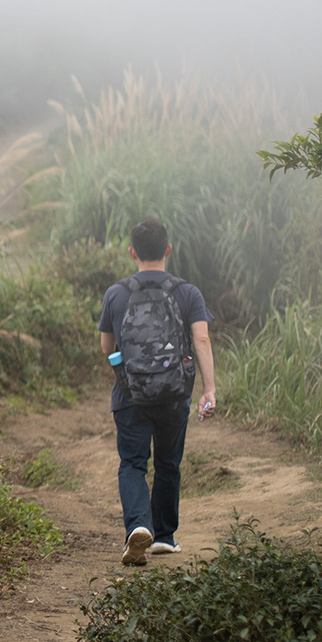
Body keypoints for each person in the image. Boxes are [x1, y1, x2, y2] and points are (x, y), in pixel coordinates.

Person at [99, 219, 217, 567]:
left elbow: (108, 346)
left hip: (130, 396)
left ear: (133, 252)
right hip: (174, 395)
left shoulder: (116, 293)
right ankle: (164, 537)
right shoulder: (187, 292)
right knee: (168, 463)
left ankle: (138, 525)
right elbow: (202, 340)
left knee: (133, 464)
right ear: (167, 249)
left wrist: (132, 374)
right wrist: (208, 389)